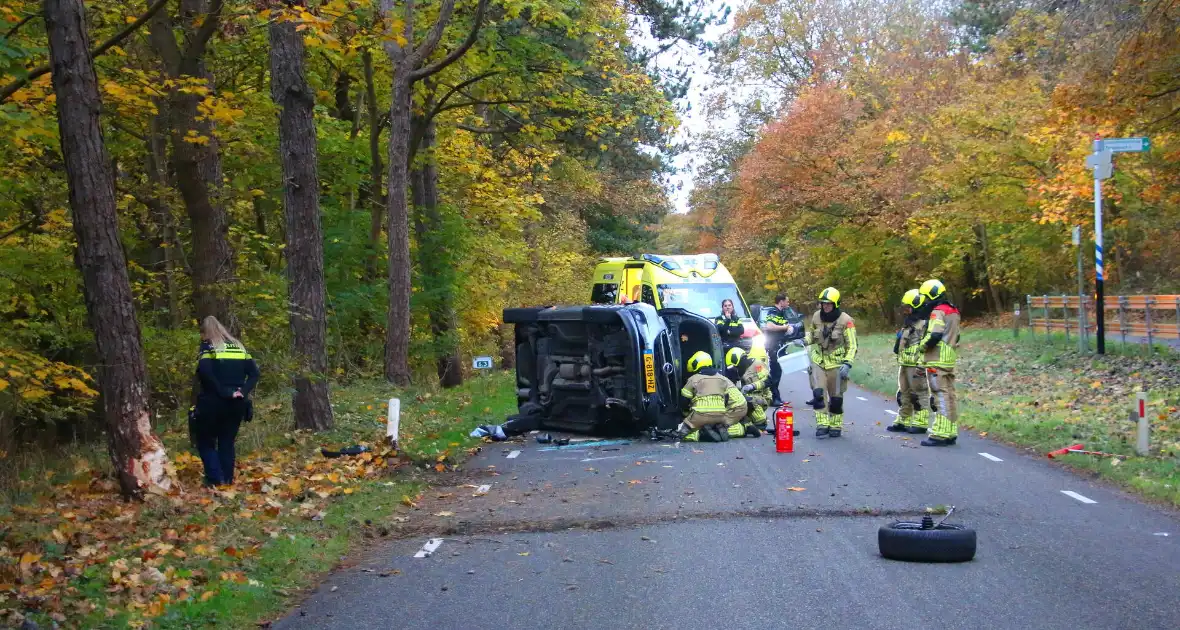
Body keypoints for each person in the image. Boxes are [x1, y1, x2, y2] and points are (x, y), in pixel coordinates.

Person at [191, 315, 259, 486]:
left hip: (213, 403)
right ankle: (227, 480)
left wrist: (223, 392)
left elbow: (206, 373)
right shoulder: (238, 346)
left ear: (205, 332)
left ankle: (215, 479)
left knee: (206, 442)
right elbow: (254, 373)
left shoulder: (208, 347)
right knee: (227, 442)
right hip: (237, 404)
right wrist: (241, 392)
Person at [802, 287, 857, 438]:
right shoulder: (816, 317)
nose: (825, 306)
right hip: (819, 361)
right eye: (823, 303)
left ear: (836, 304)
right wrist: (803, 341)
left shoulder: (846, 320)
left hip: (837, 364)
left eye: (829, 304)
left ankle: (835, 425)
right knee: (818, 393)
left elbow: (852, 345)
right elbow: (812, 335)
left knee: (836, 398)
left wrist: (847, 363)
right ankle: (822, 424)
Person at [917, 279, 961, 447]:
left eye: (926, 298)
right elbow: (956, 336)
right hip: (949, 357)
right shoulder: (954, 310)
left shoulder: (938, 311)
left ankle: (940, 433)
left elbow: (934, 335)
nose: (926, 302)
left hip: (936, 358)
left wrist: (921, 347)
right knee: (949, 395)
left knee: (939, 395)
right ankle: (950, 430)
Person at [678, 351, 747, 442]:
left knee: (682, 434)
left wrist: (686, 415)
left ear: (696, 364)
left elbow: (684, 400)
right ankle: (740, 429)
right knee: (716, 427)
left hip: (699, 415)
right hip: (720, 415)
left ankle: (701, 435)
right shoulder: (722, 379)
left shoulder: (693, 379)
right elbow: (726, 398)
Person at [888, 289, 931, 435]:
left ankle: (921, 423)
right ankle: (903, 420)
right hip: (905, 363)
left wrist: (921, 364)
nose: (906, 311)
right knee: (904, 393)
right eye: (905, 308)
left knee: (918, 393)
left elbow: (927, 346)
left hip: (916, 364)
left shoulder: (924, 324)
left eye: (908, 308)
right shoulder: (908, 324)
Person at [760, 294, 797, 406]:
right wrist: (785, 327)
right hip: (774, 346)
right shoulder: (773, 311)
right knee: (775, 373)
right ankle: (773, 398)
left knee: (778, 372)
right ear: (781, 302)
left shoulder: (781, 313)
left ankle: (776, 397)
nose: (788, 303)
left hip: (779, 346)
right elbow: (770, 326)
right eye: (787, 301)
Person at [724, 347, 766, 437]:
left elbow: (769, 381)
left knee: (749, 400)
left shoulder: (757, 365)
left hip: (761, 396)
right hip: (744, 397)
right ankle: (746, 424)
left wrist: (752, 386)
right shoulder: (738, 371)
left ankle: (761, 423)